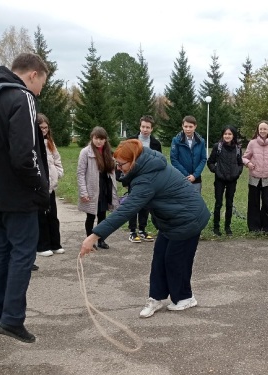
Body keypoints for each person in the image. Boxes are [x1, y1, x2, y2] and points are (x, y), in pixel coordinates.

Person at [0, 52, 50, 343]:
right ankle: (12, 319)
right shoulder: (21, 97)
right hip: (16, 194)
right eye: (42, 82)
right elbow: (24, 154)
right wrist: (40, 187)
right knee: (23, 253)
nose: (40, 90)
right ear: (33, 75)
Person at [80, 139, 210, 318]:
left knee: (175, 260)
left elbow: (125, 211)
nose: (118, 168)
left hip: (189, 219)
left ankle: (186, 298)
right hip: (172, 219)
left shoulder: (147, 178)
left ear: (133, 160)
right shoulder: (146, 165)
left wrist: (94, 236)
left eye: (121, 164)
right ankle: (156, 298)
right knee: (159, 258)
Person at [77, 127, 118, 250]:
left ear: (105, 140)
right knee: (90, 216)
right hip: (92, 188)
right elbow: (80, 173)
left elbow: (111, 170)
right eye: (96, 138)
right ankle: (90, 240)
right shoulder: (85, 152)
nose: (99, 141)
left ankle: (101, 240)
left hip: (105, 187)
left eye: (101, 139)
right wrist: (84, 192)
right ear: (92, 138)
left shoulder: (108, 152)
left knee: (102, 215)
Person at [125, 115, 162, 243]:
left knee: (145, 204)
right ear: (139, 126)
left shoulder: (156, 144)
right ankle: (132, 231)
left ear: (152, 129)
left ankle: (142, 229)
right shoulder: (131, 141)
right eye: (143, 127)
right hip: (133, 177)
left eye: (148, 127)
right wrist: (126, 178)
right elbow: (126, 158)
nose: (145, 129)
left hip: (148, 178)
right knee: (133, 204)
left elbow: (159, 161)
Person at [242, 120, 268, 234]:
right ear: (258, 131)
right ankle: (254, 228)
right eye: (261, 129)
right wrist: (248, 163)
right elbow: (244, 157)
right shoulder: (252, 143)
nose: (263, 131)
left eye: (265, 129)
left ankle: (266, 228)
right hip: (254, 177)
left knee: (266, 203)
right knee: (253, 203)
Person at [36, 113, 64, 257]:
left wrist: (57, 173)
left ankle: (55, 243)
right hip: (39, 188)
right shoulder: (33, 144)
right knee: (41, 217)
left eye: (46, 128)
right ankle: (42, 245)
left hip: (51, 187)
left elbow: (57, 160)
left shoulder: (50, 143)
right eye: (41, 128)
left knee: (53, 216)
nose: (44, 130)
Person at [207, 125, 243, 236]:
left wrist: (237, 173)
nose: (227, 136)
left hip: (232, 179)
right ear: (222, 135)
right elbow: (210, 162)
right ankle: (216, 227)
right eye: (225, 134)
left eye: (230, 134)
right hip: (220, 179)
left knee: (229, 203)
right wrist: (216, 170)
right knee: (218, 203)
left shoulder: (237, 148)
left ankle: (228, 227)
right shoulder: (217, 147)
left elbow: (240, 163)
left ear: (233, 135)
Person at [170, 115, 207, 193]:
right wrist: (186, 175)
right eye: (186, 126)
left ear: (195, 126)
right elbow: (174, 159)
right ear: (182, 126)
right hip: (181, 177)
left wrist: (195, 175)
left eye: (190, 126)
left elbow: (203, 159)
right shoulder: (176, 140)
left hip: (196, 178)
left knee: (196, 201)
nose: (188, 129)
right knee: (182, 201)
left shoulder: (201, 141)